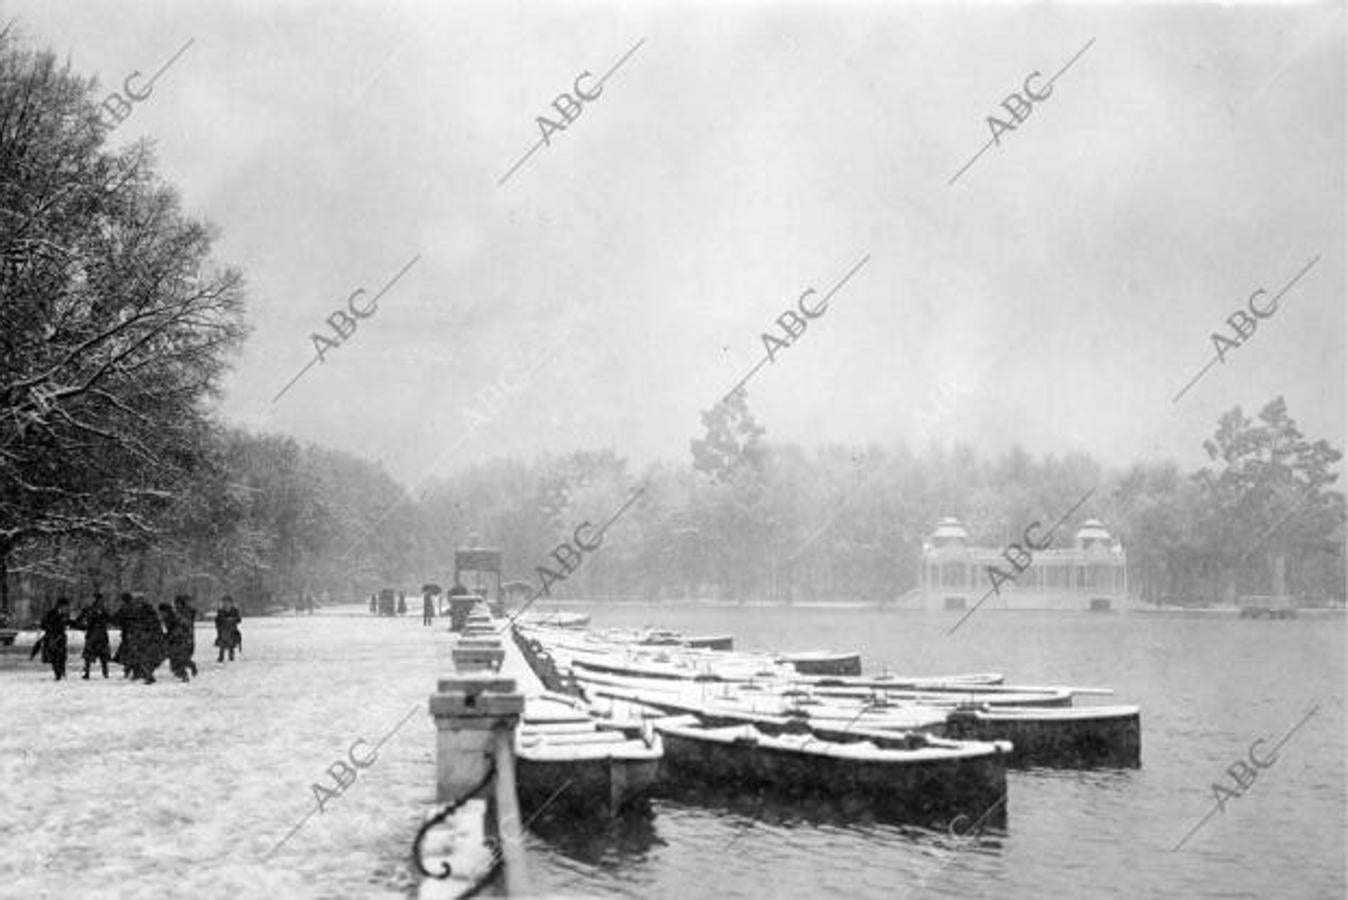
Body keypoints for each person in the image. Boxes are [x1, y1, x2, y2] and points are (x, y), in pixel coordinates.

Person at [75, 593, 113, 679]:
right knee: (91, 655)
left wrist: (83, 627)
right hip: (94, 634)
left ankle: (103, 673)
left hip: (98, 634)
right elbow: (79, 620)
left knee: (100, 655)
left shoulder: (101, 610)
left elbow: (109, 619)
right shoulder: (91, 609)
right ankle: (91, 673)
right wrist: (83, 627)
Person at [38, 598, 73, 680]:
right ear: (60, 606)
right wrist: (51, 628)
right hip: (52, 637)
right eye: (65, 607)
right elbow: (44, 624)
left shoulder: (65, 614)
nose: (66, 609)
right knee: (54, 656)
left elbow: (68, 622)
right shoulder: (51, 613)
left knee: (62, 656)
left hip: (61, 637)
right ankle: (57, 673)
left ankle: (61, 670)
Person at [111, 592, 136, 678]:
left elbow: (115, 618)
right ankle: (130, 670)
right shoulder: (134, 608)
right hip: (133, 634)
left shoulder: (124, 608)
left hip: (128, 634)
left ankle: (128, 670)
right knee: (131, 653)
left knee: (128, 653)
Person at [174, 595, 198, 677]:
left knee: (182, 660)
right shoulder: (177, 613)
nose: (176, 605)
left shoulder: (186, 613)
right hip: (178, 641)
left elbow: (186, 626)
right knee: (179, 660)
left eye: (178, 604)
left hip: (187, 641)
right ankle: (188, 670)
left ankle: (185, 673)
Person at [215, 596, 242, 662]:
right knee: (222, 644)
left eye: (227, 601)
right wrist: (223, 621)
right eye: (224, 602)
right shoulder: (221, 611)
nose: (226, 603)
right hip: (223, 630)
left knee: (231, 645)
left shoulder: (234, 610)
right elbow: (217, 620)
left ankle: (231, 656)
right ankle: (221, 657)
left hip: (232, 630)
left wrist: (232, 620)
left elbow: (239, 619)